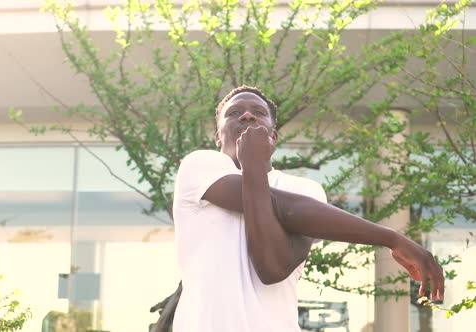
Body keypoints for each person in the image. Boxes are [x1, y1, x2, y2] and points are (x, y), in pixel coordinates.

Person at [171, 85, 444, 332]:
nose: (247, 116)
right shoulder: (199, 165)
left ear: (273, 136)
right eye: (234, 113)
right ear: (218, 136)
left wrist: (252, 168)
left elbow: (272, 269)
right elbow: (286, 207)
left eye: (258, 112)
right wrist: (390, 237)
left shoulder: (305, 190)